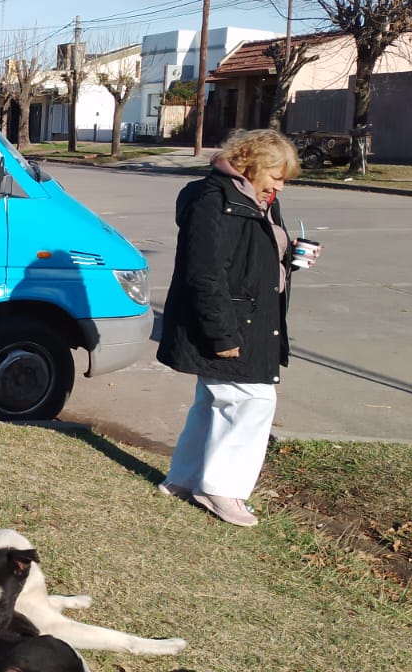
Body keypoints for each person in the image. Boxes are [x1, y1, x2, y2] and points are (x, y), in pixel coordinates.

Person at [156, 128, 317, 527]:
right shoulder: (213, 200)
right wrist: (221, 334)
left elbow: (252, 257)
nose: (279, 186)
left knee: (215, 400)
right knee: (253, 400)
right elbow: (203, 273)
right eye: (276, 176)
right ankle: (221, 488)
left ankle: (185, 478)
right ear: (251, 164)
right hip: (229, 322)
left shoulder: (258, 200)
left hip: (250, 319)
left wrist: (290, 258)